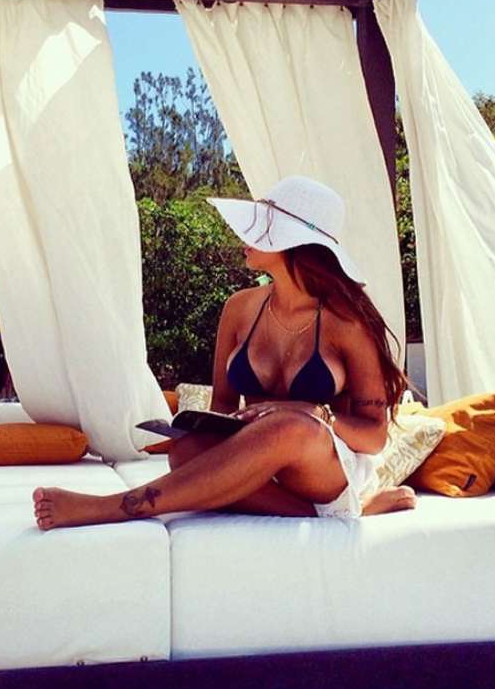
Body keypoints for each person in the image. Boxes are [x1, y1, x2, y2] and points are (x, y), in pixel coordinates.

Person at [33, 175, 416, 530]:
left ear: (293, 242)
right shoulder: (239, 308)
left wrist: (313, 413)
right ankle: (355, 508)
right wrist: (208, 426)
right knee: (187, 451)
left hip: (323, 464)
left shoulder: (347, 321)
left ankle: (113, 507)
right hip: (258, 461)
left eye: (261, 226)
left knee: (288, 426)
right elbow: (223, 407)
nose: (243, 235)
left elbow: (374, 436)